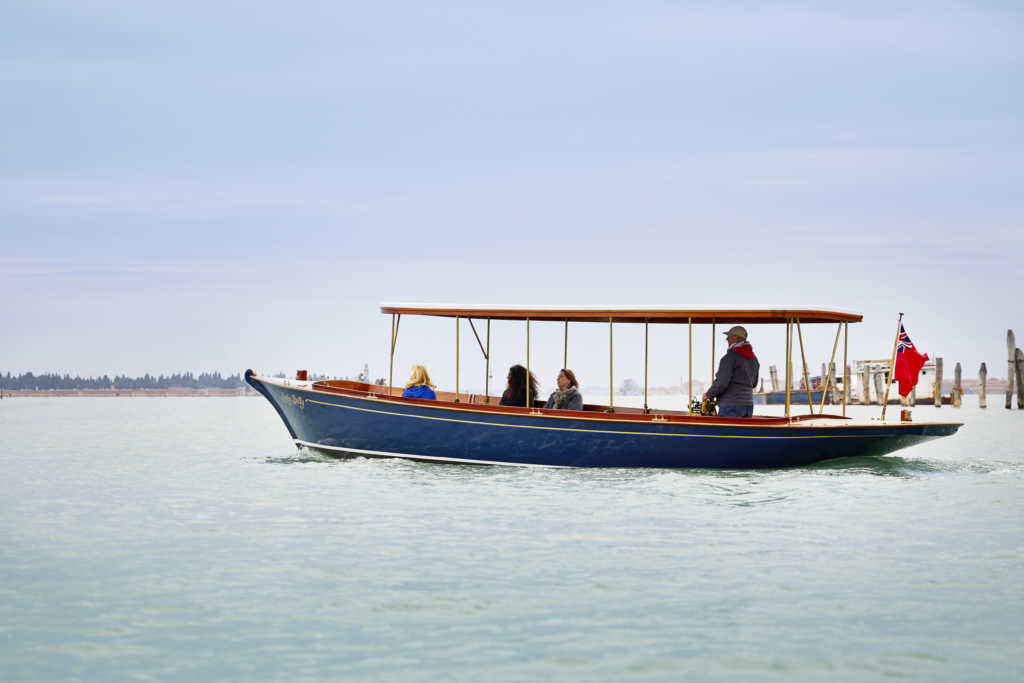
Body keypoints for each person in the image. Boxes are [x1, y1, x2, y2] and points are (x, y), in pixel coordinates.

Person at [703, 325, 760, 418]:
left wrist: (708, 394)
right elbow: (754, 383)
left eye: (728, 337)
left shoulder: (729, 358)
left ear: (735, 338)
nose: (726, 339)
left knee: (724, 432)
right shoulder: (754, 359)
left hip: (731, 406)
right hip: (748, 405)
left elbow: (722, 382)